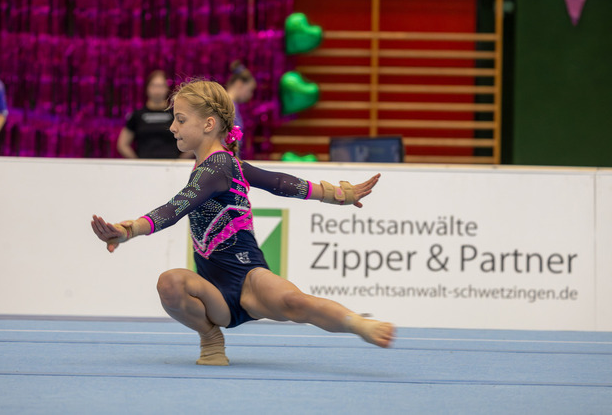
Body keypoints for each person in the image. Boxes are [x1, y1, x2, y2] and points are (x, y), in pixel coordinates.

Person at [91, 80, 395, 366]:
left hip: (249, 281)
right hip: (214, 294)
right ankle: (210, 337)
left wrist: (130, 229)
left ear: (208, 124)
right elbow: (280, 183)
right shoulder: (221, 164)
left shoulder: (219, 166)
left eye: (180, 120)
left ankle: (360, 324)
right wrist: (337, 195)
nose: (173, 127)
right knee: (170, 283)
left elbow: (175, 208)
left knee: (295, 302)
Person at [117, 70, 182, 159]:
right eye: (154, 85)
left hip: (171, 164)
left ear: (167, 88)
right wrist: (137, 162)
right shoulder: (137, 115)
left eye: (161, 86)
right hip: (144, 165)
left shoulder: (176, 114)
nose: (157, 90)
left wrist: (180, 161)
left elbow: (193, 140)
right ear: (147, 88)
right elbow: (122, 144)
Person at [225, 60, 256, 131]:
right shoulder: (227, 105)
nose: (250, 95)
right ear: (239, 84)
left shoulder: (232, 105)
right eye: (249, 90)